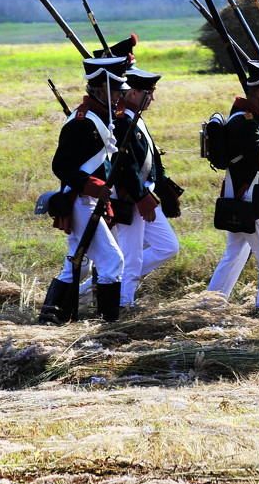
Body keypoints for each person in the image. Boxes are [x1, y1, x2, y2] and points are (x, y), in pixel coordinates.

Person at [40, 56, 129, 325]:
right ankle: (107, 325)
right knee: (113, 262)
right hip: (79, 199)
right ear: (101, 89)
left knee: (77, 264)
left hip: (88, 198)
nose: (121, 97)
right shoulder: (83, 121)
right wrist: (95, 186)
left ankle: (52, 318)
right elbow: (62, 165)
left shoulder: (100, 118)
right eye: (116, 90)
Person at [207, 59, 259, 302]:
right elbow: (258, 164)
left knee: (233, 255)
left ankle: (210, 303)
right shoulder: (248, 123)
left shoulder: (243, 117)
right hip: (248, 200)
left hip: (238, 197)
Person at [106, 65, 182, 309]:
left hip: (144, 194)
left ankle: (102, 286)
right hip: (131, 197)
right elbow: (125, 167)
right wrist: (142, 200)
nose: (152, 98)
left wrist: (164, 188)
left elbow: (151, 160)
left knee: (168, 246)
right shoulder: (120, 121)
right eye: (148, 93)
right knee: (132, 255)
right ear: (134, 93)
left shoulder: (134, 119)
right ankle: (122, 303)